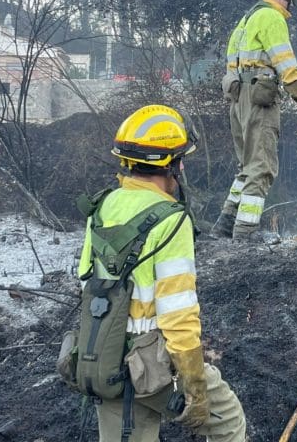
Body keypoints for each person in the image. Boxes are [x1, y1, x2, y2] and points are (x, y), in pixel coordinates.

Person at [79, 104, 246, 441]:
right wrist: (195, 388)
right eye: (179, 159)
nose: (182, 166)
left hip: (102, 357)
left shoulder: (104, 206)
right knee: (227, 420)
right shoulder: (171, 219)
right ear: (167, 165)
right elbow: (178, 315)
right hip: (150, 363)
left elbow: (87, 278)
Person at [211, 0, 297, 242]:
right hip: (260, 99)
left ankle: (225, 225)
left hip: (238, 99)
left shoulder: (245, 21)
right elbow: (286, 63)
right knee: (262, 166)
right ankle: (245, 232)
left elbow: (231, 64)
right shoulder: (271, 17)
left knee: (246, 166)